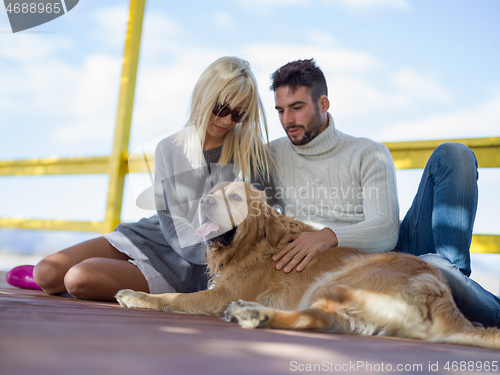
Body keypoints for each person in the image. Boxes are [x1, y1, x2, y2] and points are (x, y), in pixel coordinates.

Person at [268, 58, 500, 327]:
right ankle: (455, 291)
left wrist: (327, 236)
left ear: (323, 104)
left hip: (392, 255)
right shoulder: (272, 154)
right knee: (436, 269)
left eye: (297, 108)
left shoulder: (368, 152)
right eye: (280, 110)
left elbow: (386, 231)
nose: (287, 120)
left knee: (455, 154)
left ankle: (453, 284)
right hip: (344, 273)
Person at [32, 56, 272, 302]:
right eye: (221, 109)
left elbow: (258, 225)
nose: (226, 121)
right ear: (203, 96)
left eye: (238, 114)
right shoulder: (168, 147)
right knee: (45, 273)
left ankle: (114, 277)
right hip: (155, 235)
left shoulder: (251, 156)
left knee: (79, 279)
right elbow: (172, 225)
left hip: (192, 267)